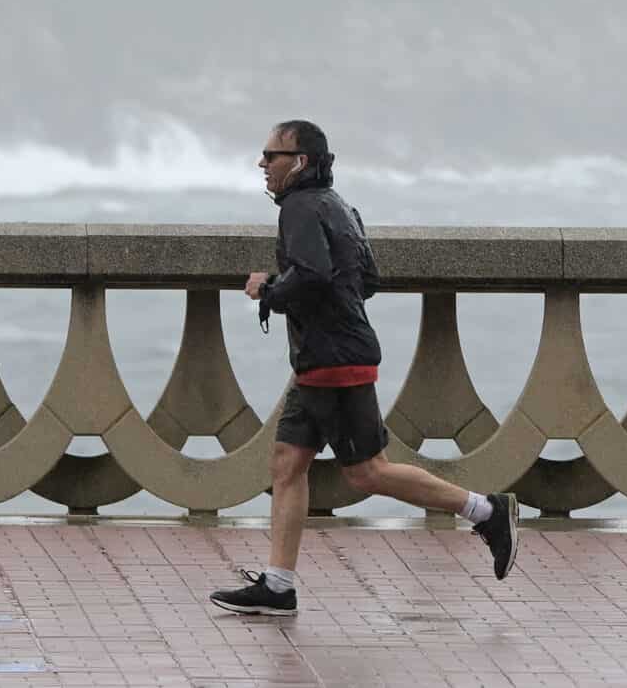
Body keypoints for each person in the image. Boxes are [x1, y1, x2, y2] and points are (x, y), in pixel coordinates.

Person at [209, 120, 518, 617]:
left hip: (334, 364)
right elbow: (366, 279)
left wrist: (266, 290)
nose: (262, 164)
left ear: (300, 162)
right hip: (328, 358)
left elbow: (311, 276)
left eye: (271, 155)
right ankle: (278, 586)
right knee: (287, 464)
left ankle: (486, 512)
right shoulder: (338, 206)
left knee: (368, 473)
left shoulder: (299, 207)